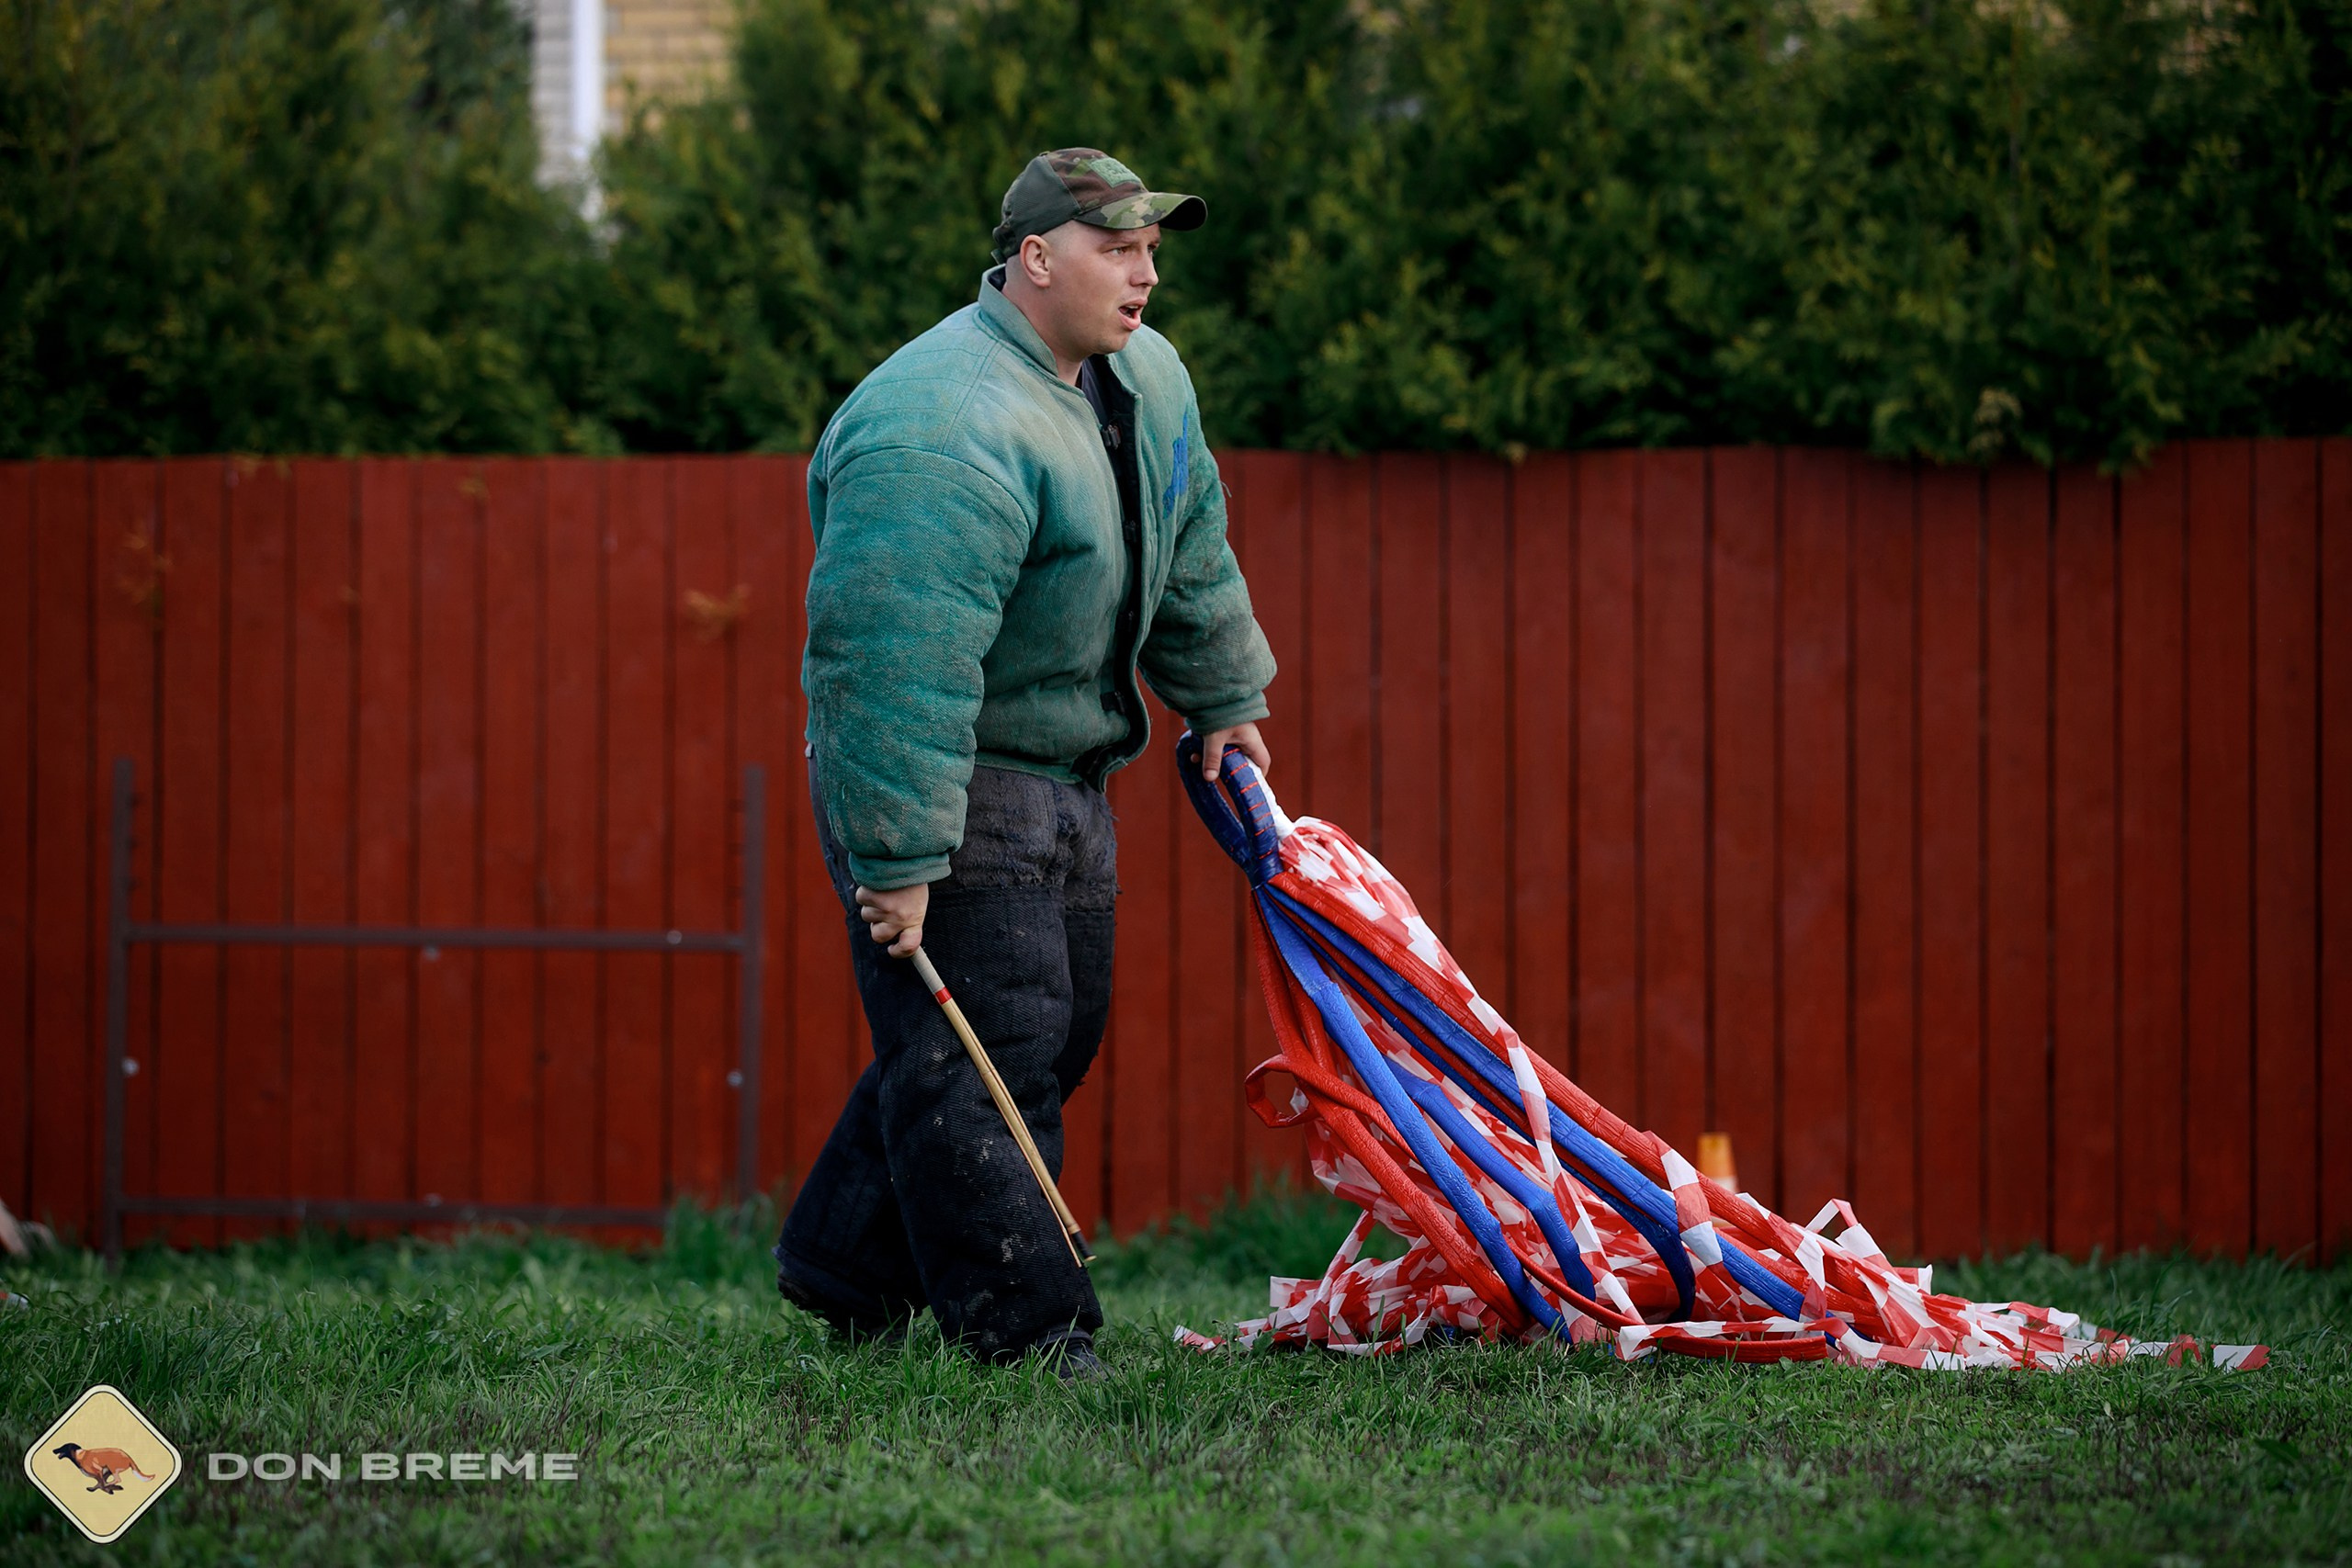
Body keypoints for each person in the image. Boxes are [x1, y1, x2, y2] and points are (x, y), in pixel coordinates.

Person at [774, 149, 1277, 1377]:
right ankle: (1029, 1334)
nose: (1147, 272)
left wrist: (1222, 695)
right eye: (1119, 248)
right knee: (992, 1047)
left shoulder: (1144, 378)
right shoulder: (938, 422)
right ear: (1037, 259)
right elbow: (889, 661)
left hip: (1067, 773)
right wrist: (897, 857)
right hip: (947, 772)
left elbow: (1189, 530)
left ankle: (847, 1269)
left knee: (1039, 1035)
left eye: (1154, 249)